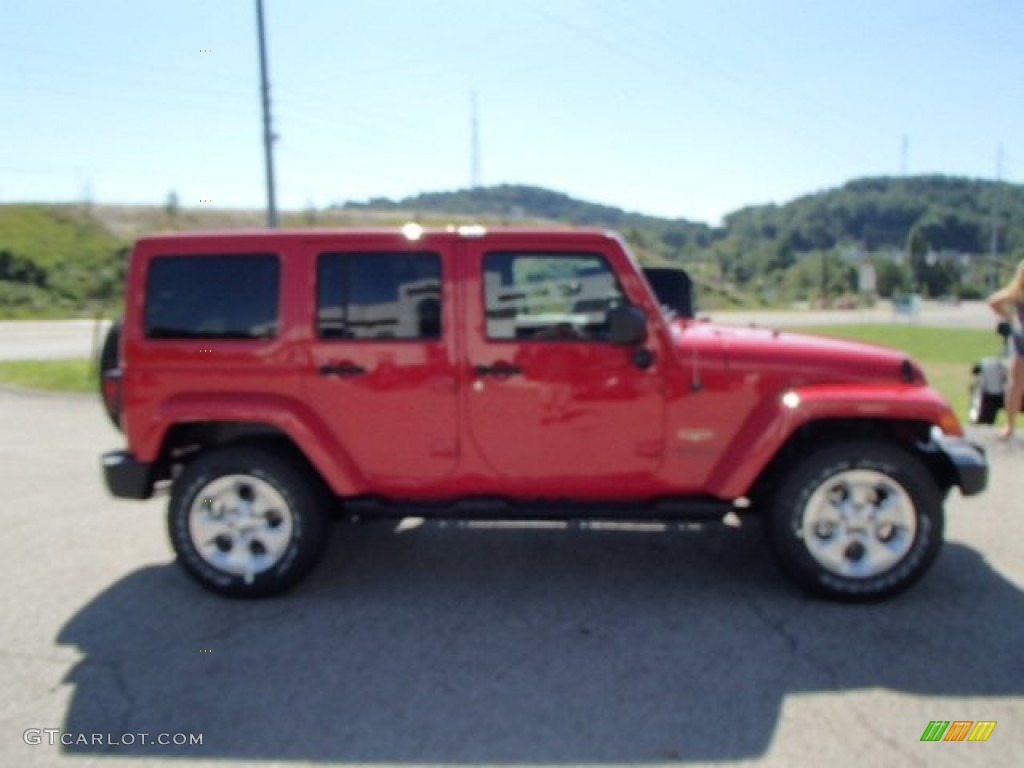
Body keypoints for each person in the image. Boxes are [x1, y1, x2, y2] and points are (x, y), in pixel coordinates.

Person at [987, 258, 1024, 439]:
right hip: (1021, 340)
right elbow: (993, 301)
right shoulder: (1017, 293)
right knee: (1015, 383)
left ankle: (1010, 426)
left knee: (1015, 383)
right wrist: (1011, 318)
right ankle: (1010, 425)